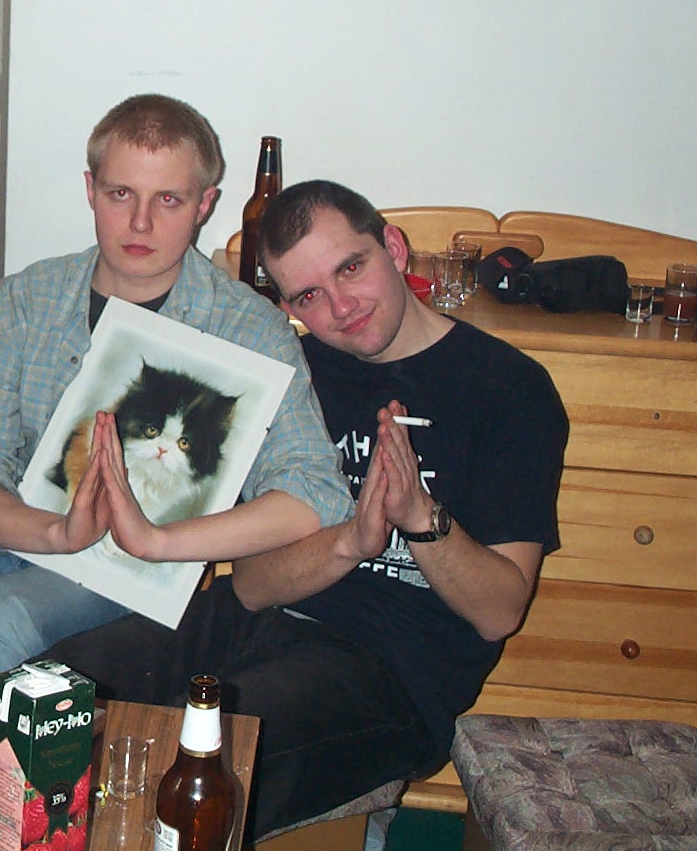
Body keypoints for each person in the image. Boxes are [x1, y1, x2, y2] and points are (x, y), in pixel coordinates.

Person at [44, 179, 568, 838]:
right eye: (308, 297)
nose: (341, 307)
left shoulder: (508, 388)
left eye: (350, 268)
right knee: (48, 695)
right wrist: (351, 540)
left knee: (187, 761)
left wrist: (418, 517)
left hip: (393, 670)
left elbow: (499, 612)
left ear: (394, 249)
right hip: (252, 620)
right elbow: (253, 585)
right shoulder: (295, 374)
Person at [0, 95, 353, 686]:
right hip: (2, 538)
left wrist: (160, 540)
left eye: (168, 200)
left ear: (204, 205)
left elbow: (316, 494)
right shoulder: (23, 302)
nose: (141, 224)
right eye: (121, 194)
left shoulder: (248, 328)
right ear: (91, 190)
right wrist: (53, 533)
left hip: (126, 569)